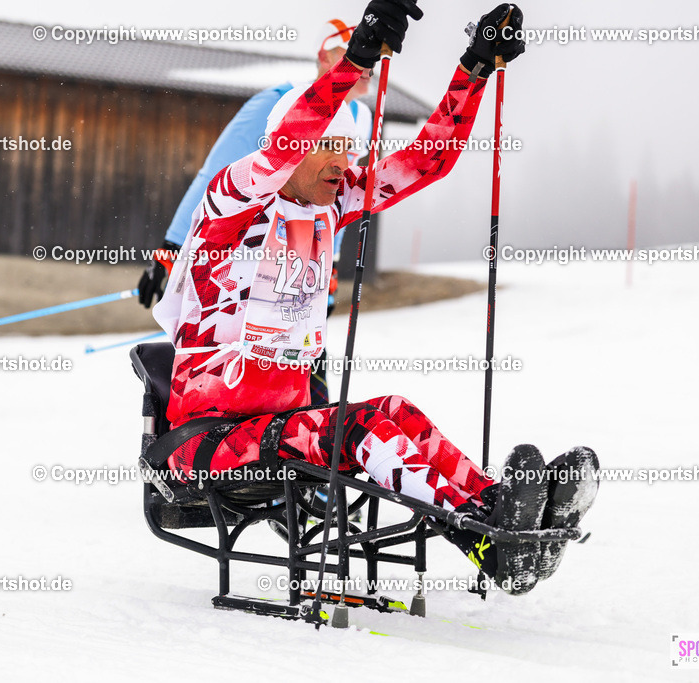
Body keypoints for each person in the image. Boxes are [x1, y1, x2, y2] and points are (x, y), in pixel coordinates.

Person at [152, 1, 598, 596]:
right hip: (204, 443)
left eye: (350, 149)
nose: (344, 161)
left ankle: (509, 516)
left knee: (395, 413)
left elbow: (427, 161)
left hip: (279, 424)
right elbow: (286, 146)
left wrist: (474, 68)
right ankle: (492, 538)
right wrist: (356, 60)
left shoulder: (329, 211)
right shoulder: (230, 208)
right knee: (362, 434)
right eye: (329, 147)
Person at [138, 19, 376, 405]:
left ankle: (309, 452)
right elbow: (214, 173)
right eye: (348, 57)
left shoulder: (360, 118)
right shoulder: (276, 102)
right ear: (323, 57)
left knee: (307, 378)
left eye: (369, 65)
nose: (364, 71)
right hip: (244, 251)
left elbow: (336, 200)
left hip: (302, 265)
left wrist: (328, 264)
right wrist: (170, 249)